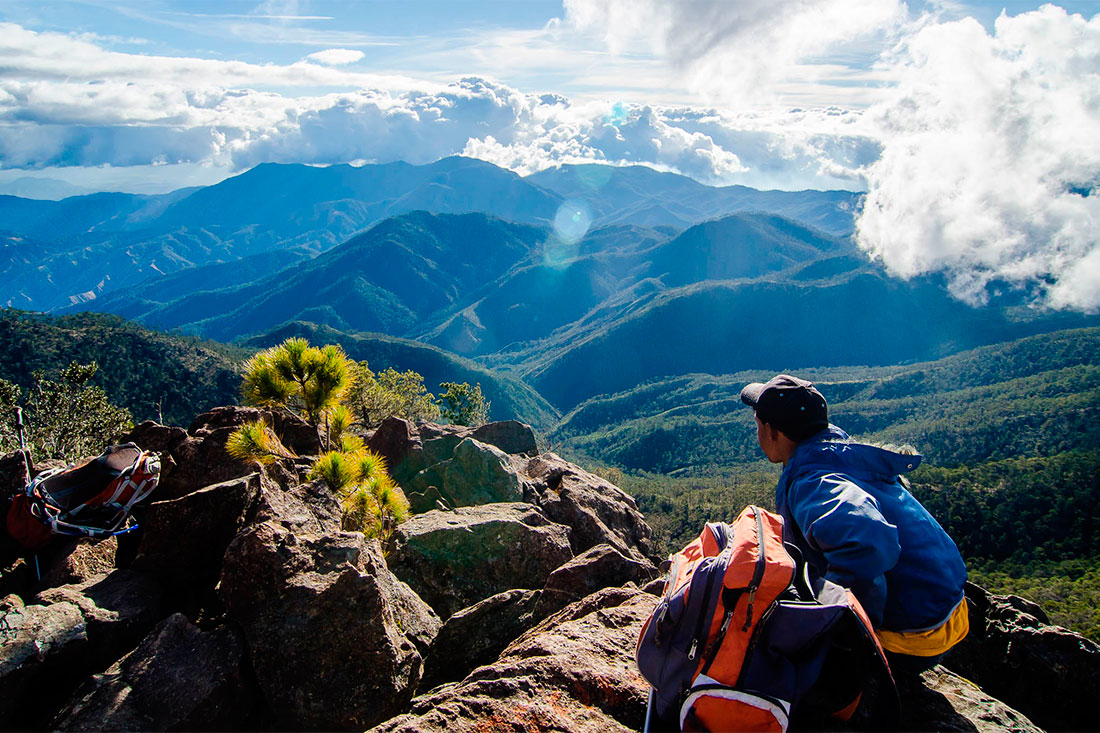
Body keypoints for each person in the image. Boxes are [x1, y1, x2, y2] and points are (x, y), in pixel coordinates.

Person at [740, 374, 969, 675]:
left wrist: (844, 632)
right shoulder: (841, 456)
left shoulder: (813, 482)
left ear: (772, 432)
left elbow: (868, 542)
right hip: (948, 613)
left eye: (758, 424)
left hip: (912, 638)